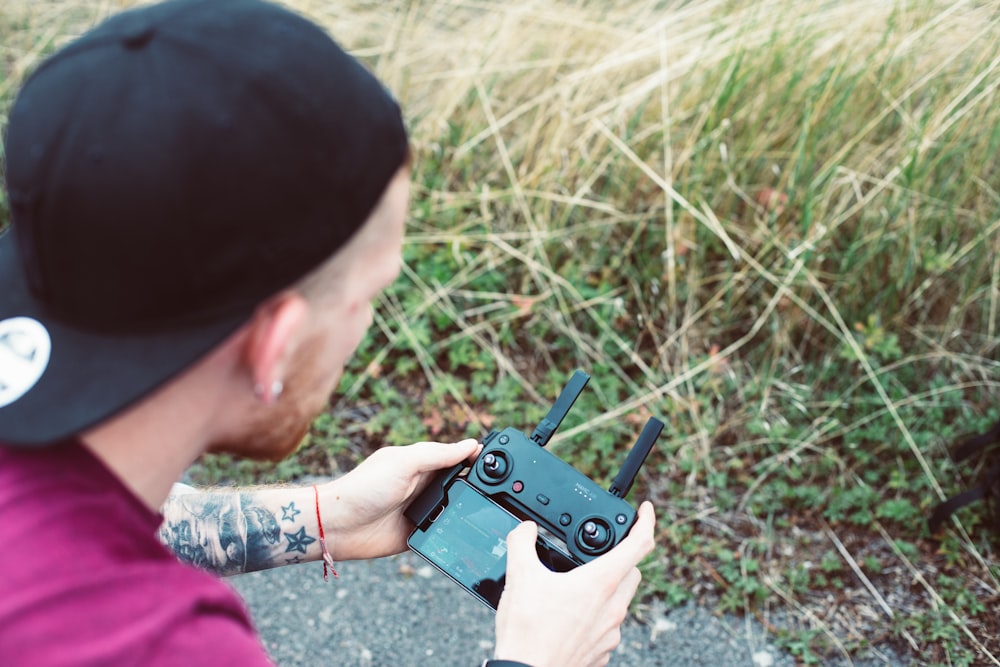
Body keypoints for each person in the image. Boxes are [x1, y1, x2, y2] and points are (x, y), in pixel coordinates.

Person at [0, 0, 656, 665]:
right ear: (274, 340)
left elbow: (73, 521)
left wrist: (326, 516)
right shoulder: (166, 645)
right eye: (369, 296)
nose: (368, 321)